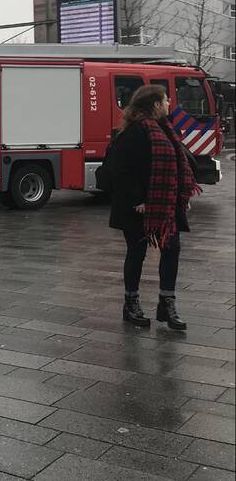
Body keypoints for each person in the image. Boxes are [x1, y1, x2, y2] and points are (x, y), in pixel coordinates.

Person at [109, 85, 200, 330]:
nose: (170, 104)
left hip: (166, 205)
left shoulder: (167, 129)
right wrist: (139, 199)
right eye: (166, 100)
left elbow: (179, 165)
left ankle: (166, 303)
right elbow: (119, 170)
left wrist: (183, 195)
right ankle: (131, 303)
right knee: (136, 253)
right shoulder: (132, 132)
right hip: (136, 208)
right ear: (155, 104)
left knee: (172, 249)